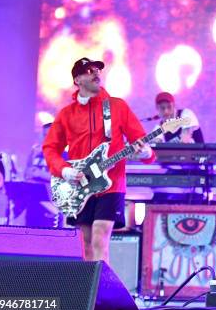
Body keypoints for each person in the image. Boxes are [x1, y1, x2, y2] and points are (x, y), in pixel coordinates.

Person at [43, 57, 155, 263]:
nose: (96, 74)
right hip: (81, 186)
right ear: (77, 80)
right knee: (85, 243)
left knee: (99, 238)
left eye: (97, 70)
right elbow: (50, 148)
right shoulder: (66, 114)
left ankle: (100, 294)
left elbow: (140, 142)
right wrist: (65, 171)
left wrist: (145, 152)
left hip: (111, 186)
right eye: (89, 71)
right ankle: (90, 293)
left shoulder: (117, 107)